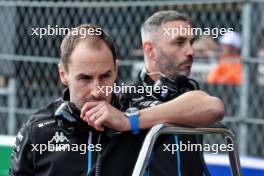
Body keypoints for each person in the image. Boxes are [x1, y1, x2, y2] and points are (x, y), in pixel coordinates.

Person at [10, 23, 224, 176]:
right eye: (84, 78)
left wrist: (128, 121)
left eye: (105, 76)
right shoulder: (38, 129)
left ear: (116, 70)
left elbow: (212, 107)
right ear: (63, 74)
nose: (97, 90)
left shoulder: (131, 108)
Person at [80, 11, 224, 176]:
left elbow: (215, 107)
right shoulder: (122, 100)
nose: (190, 51)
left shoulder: (189, 92)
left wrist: (129, 121)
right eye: (179, 42)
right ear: (150, 50)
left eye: (191, 42)